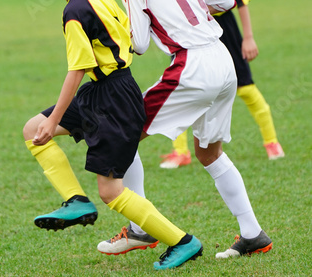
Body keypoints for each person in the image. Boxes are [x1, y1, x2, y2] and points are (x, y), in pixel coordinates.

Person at [23, 0, 202, 270]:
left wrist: (55, 121)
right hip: (106, 89)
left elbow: (77, 70)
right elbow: (127, 38)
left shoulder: (75, 11)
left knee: (110, 192)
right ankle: (76, 200)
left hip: (112, 99)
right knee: (32, 127)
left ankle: (183, 241)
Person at [97, 0, 273, 259]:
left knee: (121, 132)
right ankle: (253, 233)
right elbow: (225, 2)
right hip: (223, 59)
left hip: (192, 65)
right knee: (209, 153)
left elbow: (140, 44)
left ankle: (139, 230)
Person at [159, 0, 285, 169]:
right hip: (189, 32)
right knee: (183, 90)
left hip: (226, 29)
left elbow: (241, 3)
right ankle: (181, 151)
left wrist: (248, 38)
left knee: (245, 87)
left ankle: (272, 143)